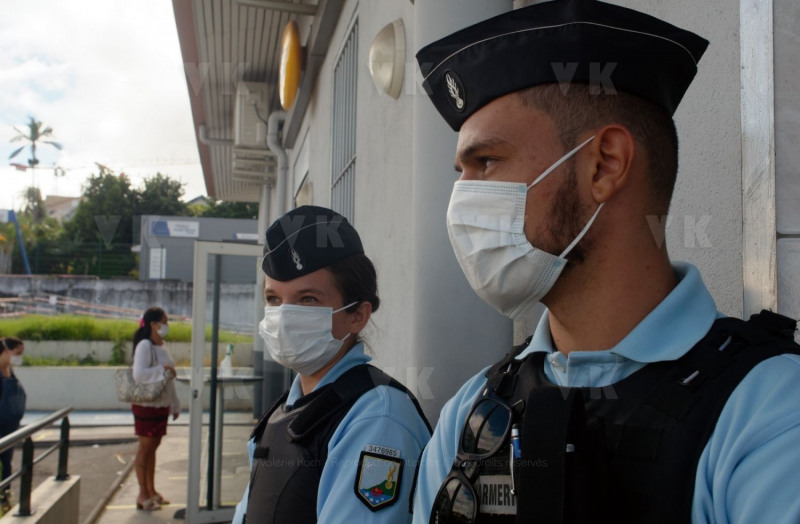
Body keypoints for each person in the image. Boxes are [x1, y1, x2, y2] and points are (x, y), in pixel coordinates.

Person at [412, 1, 800, 522]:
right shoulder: (472, 413)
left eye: (486, 162)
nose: (462, 200)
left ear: (605, 165)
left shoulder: (770, 414)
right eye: (461, 171)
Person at [232, 205, 431, 523]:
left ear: (357, 316)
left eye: (307, 299)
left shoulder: (377, 419)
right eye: (273, 300)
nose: (283, 317)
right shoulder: (289, 407)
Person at [131, 306, 180, 511]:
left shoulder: (163, 345)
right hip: (147, 405)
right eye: (164, 321)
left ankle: (152, 491)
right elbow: (139, 374)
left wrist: (175, 404)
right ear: (153, 324)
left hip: (161, 404)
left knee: (153, 448)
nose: (167, 325)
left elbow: (169, 378)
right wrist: (163, 370)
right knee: (145, 448)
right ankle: (142, 494)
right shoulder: (145, 345)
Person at [0, 337, 26, 513]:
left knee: (6, 463)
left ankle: (4, 495)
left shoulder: (9, 372)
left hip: (9, 427)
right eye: (15, 353)